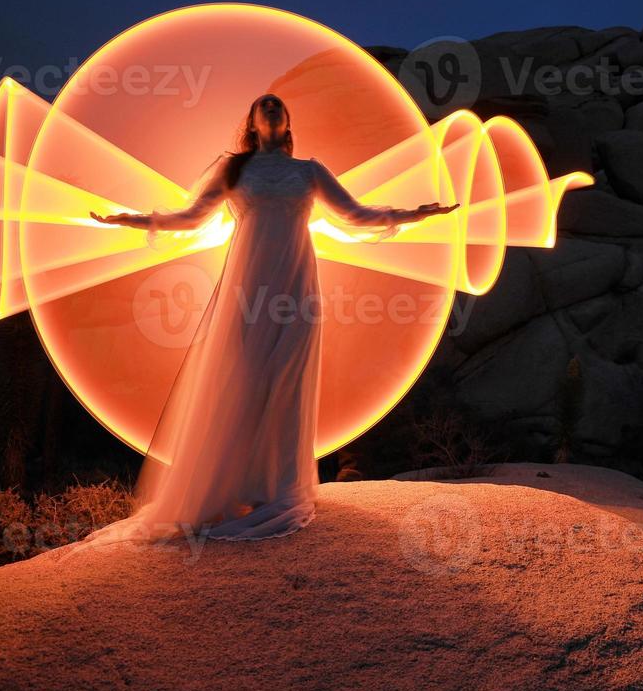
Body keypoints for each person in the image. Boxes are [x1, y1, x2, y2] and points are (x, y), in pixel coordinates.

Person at [87, 93, 456, 540]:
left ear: (288, 122)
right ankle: (230, 487)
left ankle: (276, 489)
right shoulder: (234, 169)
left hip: (296, 285)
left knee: (287, 380)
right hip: (248, 286)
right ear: (252, 121)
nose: (273, 107)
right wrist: (134, 219)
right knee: (241, 378)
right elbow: (191, 217)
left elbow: (356, 214)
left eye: (279, 104)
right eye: (264, 104)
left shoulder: (309, 171)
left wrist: (416, 213)